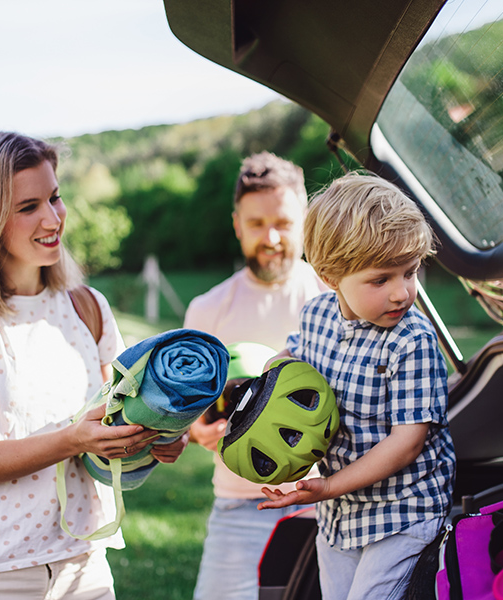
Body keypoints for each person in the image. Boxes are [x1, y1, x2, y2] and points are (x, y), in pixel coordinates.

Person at [0, 131, 187, 599]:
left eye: (54, 197)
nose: (53, 217)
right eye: (28, 206)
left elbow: (116, 416)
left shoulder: (87, 307)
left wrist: (155, 437)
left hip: (85, 560)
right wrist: (71, 439)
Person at [258, 172, 456, 600]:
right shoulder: (316, 316)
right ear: (330, 277)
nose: (403, 293)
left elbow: (408, 442)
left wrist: (330, 485)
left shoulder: (412, 340)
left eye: (411, 272)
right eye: (381, 279)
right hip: (340, 513)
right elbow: (290, 361)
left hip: (404, 508)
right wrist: (262, 390)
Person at [184, 151, 328, 600]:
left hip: (327, 502)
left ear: (304, 221)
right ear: (236, 225)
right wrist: (196, 430)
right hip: (240, 503)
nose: (271, 237)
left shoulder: (334, 298)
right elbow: (185, 416)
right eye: (256, 223)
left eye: (284, 223)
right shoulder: (206, 310)